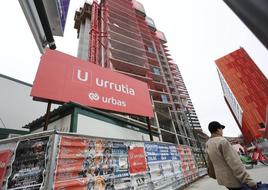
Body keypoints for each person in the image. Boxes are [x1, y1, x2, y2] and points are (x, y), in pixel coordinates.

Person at [206, 121, 257, 190]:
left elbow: (210, 162)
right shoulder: (222, 141)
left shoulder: (208, 144)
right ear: (218, 130)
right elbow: (235, 163)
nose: (222, 131)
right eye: (221, 129)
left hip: (223, 180)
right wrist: (249, 180)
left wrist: (214, 175)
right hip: (233, 179)